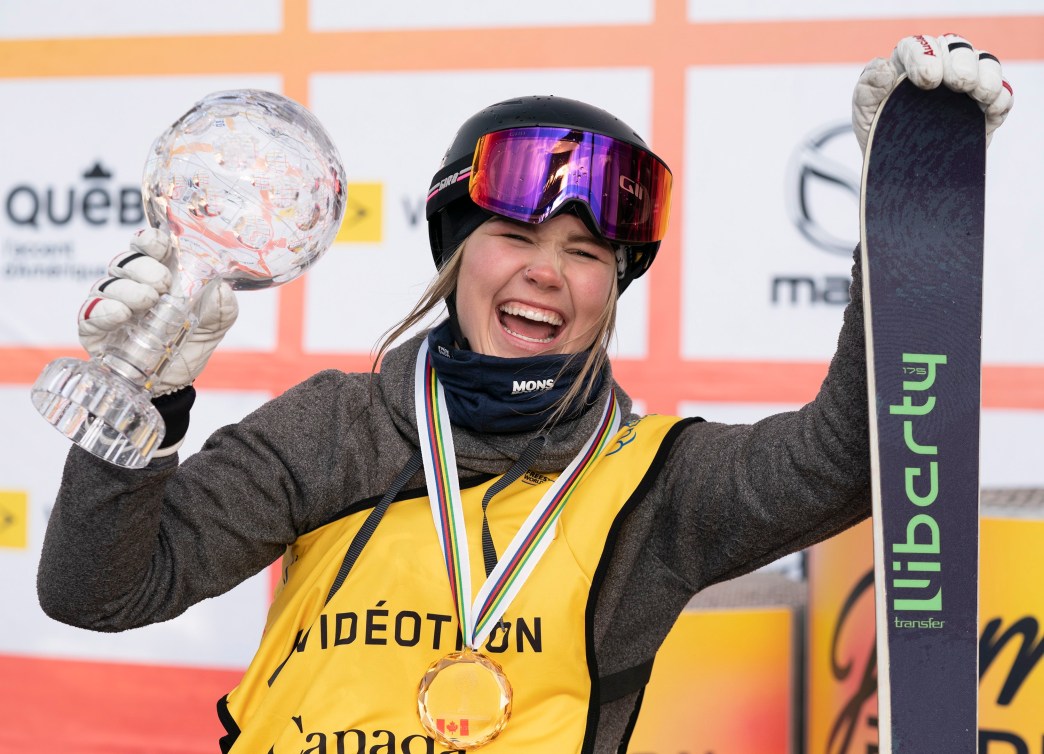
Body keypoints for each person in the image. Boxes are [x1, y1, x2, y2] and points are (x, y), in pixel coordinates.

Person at [38, 34, 1012, 753]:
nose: (548, 272)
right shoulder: (337, 426)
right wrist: (146, 405)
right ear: (460, 256)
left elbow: (846, 462)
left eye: (585, 252)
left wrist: (898, 223)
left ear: (612, 291)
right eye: (516, 237)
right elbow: (98, 590)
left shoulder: (659, 485)